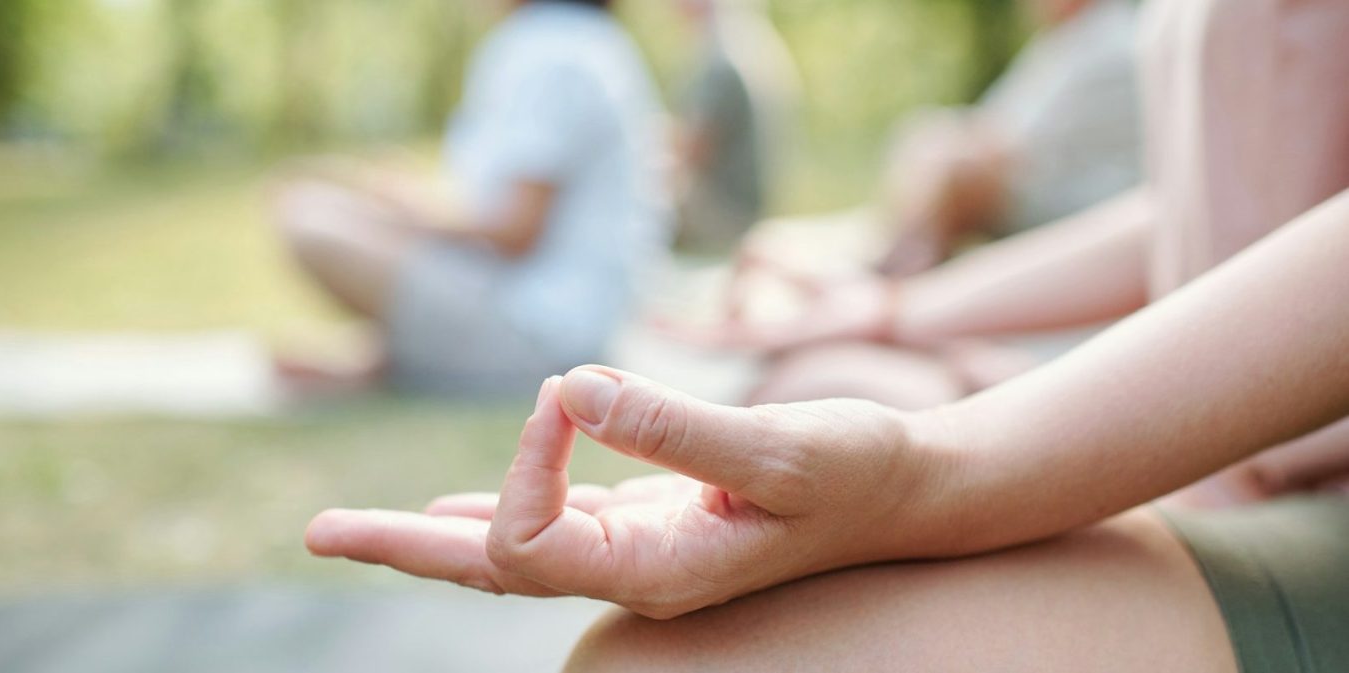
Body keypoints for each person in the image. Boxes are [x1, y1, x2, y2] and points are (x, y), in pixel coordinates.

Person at [303, 0, 1349, 671]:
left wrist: (936, 470)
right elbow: (1203, 211)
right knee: (815, 384)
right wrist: (890, 308)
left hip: (1292, 471)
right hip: (1246, 435)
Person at [271, 0, 668, 397]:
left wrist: (414, 212)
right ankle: (386, 356)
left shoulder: (553, 55)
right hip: (559, 315)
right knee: (323, 203)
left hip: (543, 335)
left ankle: (404, 360)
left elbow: (517, 232)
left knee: (309, 218)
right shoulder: (581, 40)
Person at [875, 0, 1142, 276]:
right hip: (1042, 181)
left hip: (1080, 206)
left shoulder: (1111, 43)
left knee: (949, 161)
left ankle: (903, 269)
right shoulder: (1065, 39)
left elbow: (1016, 142)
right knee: (932, 140)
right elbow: (996, 121)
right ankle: (904, 262)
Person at [670, 0, 799, 255]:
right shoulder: (754, 42)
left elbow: (692, 152)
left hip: (723, 216)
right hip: (751, 210)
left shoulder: (723, 58)